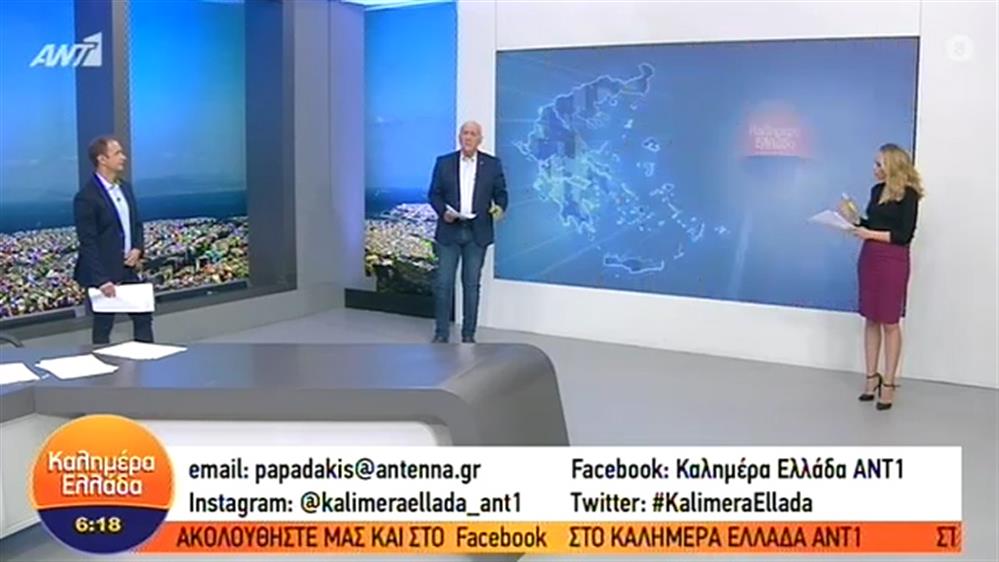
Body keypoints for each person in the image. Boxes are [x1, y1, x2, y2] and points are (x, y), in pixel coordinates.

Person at [838, 143, 923, 410]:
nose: (874, 168)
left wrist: (869, 233)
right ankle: (870, 377)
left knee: (890, 322)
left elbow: (903, 235)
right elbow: (872, 225)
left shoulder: (909, 195)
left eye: (879, 163)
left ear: (892, 165)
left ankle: (888, 383)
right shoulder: (877, 191)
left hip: (893, 261)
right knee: (871, 318)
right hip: (870, 258)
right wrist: (854, 219)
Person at [427, 121, 508, 343]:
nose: (468, 137)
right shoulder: (444, 163)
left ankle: (468, 334)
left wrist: (500, 207)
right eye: (465, 133)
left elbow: (501, 194)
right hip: (449, 231)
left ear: (480, 139)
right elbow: (434, 194)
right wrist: (443, 212)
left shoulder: (492, 164)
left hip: (477, 233)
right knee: (444, 284)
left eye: (473, 134)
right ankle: (441, 333)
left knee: (471, 285)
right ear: (459, 137)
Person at [73, 136, 153, 344]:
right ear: (102, 159)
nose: (123, 157)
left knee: (143, 318)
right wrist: (101, 280)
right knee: (103, 326)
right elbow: (87, 242)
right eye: (117, 153)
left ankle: (146, 358)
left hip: (127, 268)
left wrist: (137, 249)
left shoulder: (125, 188)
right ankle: (100, 362)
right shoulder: (87, 197)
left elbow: (136, 224)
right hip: (104, 272)